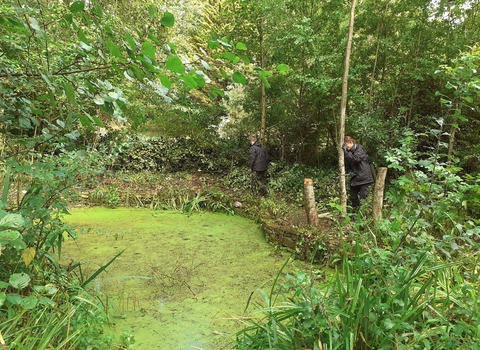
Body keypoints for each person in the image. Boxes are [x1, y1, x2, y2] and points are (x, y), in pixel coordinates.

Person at [342, 136, 374, 211]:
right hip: (355, 179)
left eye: (347, 145)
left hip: (365, 179)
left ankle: (364, 214)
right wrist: (350, 172)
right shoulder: (348, 152)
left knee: (363, 197)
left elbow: (356, 159)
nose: (346, 147)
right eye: (345, 146)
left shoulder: (359, 149)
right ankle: (356, 213)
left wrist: (346, 152)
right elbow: (348, 165)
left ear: (351, 142)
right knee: (353, 196)